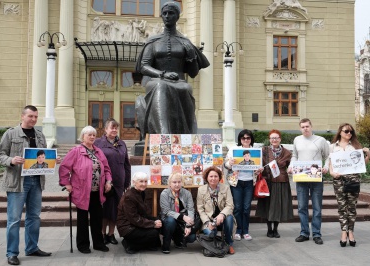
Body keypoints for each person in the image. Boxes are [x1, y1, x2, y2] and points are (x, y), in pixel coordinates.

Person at [0, 105, 60, 265]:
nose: (33, 119)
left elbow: (43, 156)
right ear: (23, 116)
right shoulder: (11, 134)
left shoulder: (40, 135)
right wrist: (11, 160)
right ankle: (12, 253)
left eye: (36, 117)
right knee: (14, 219)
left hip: (36, 181)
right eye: (30, 116)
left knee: (34, 217)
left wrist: (53, 160)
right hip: (17, 182)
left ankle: (32, 247)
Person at [135, 2, 209, 138]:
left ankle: (186, 135)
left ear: (177, 16)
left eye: (171, 13)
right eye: (164, 13)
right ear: (162, 16)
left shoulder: (185, 42)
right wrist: (162, 74)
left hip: (180, 82)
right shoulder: (153, 41)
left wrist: (192, 56)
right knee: (161, 86)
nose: (167, 16)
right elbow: (144, 66)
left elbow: (193, 73)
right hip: (157, 80)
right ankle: (164, 135)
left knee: (187, 88)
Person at [59, 126, 112, 254]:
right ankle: (83, 245)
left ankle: (98, 243)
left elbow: (106, 168)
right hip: (82, 191)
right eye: (89, 135)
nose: (92, 137)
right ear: (83, 136)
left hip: (97, 191)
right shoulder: (76, 151)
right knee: (82, 219)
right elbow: (64, 167)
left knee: (97, 218)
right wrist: (66, 183)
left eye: (94, 135)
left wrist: (109, 181)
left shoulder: (98, 151)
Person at [327, 123, 370, 247]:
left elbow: (362, 164)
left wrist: (368, 155)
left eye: (351, 132)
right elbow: (330, 163)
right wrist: (331, 172)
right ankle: (343, 232)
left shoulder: (356, 146)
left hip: (353, 179)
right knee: (342, 207)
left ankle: (350, 231)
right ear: (340, 132)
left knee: (351, 207)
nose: (349, 134)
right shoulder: (332, 147)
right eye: (346, 131)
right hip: (339, 180)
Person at [288, 118, 329, 245]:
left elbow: (327, 156)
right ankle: (304, 233)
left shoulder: (320, 140)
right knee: (302, 207)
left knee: (317, 207)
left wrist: (326, 167)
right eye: (303, 127)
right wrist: (291, 165)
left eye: (307, 126)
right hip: (301, 177)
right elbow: (295, 155)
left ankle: (316, 234)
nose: (305, 128)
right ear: (300, 128)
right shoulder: (297, 140)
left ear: (311, 126)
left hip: (316, 177)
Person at [94, 118, 131, 246]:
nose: (114, 130)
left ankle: (111, 234)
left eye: (116, 128)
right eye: (112, 127)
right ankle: (103, 234)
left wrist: (127, 181)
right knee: (105, 210)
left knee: (116, 210)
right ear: (105, 129)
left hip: (119, 182)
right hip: (104, 182)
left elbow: (127, 164)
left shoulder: (122, 143)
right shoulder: (98, 143)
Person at [255, 129, 293, 238]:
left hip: (281, 182)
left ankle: (276, 229)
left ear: (280, 139)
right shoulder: (264, 151)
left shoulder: (287, 153)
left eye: (276, 137)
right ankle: (269, 229)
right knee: (267, 205)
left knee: (278, 206)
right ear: (269, 139)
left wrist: (292, 169)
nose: (274, 140)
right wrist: (259, 168)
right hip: (268, 182)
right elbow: (258, 163)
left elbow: (291, 166)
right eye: (272, 138)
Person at [117, 172, 162, 254]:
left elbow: (143, 213)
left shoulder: (140, 192)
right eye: (141, 181)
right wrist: (152, 224)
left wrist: (154, 221)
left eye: (145, 181)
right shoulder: (129, 197)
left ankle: (149, 244)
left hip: (135, 222)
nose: (144, 184)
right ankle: (130, 245)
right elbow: (134, 218)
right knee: (154, 233)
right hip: (128, 228)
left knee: (159, 222)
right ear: (134, 182)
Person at [224, 129, 255, 241]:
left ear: (251, 139)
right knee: (237, 207)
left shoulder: (255, 151)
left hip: (249, 182)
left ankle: (245, 231)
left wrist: (259, 168)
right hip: (236, 182)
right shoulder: (233, 149)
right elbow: (226, 164)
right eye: (243, 138)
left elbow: (258, 166)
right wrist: (230, 163)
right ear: (240, 139)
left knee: (246, 208)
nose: (246, 140)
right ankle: (237, 230)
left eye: (248, 138)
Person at [197, 166, 236, 255]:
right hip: (209, 220)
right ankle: (212, 245)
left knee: (229, 218)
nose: (213, 179)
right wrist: (207, 222)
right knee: (210, 233)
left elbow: (230, 205)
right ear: (206, 177)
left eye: (216, 176)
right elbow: (200, 209)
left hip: (223, 219)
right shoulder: (201, 189)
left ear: (219, 177)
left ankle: (228, 243)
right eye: (211, 176)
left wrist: (222, 214)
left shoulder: (225, 188)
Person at [160, 173, 197, 254]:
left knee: (191, 238)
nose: (177, 184)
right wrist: (182, 217)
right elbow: (166, 211)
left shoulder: (187, 193)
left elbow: (191, 209)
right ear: (169, 183)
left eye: (179, 182)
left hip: (182, 222)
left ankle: (178, 240)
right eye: (174, 182)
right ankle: (166, 244)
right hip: (169, 219)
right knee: (171, 221)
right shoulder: (164, 194)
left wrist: (189, 225)